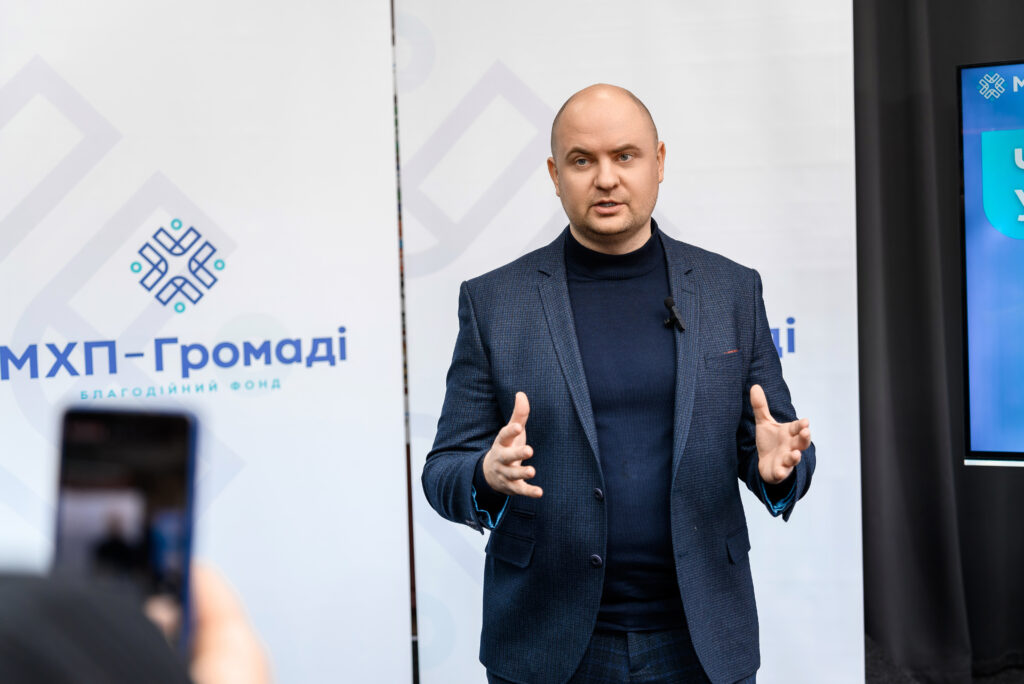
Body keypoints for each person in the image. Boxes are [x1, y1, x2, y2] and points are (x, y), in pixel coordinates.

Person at [421, 84, 815, 684]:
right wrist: (485, 474)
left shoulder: (731, 291)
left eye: (625, 156)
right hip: (547, 640)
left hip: (702, 638)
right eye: (582, 160)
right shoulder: (494, 302)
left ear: (659, 161)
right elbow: (443, 468)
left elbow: (776, 441)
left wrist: (779, 469)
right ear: (554, 175)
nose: (605, 179)